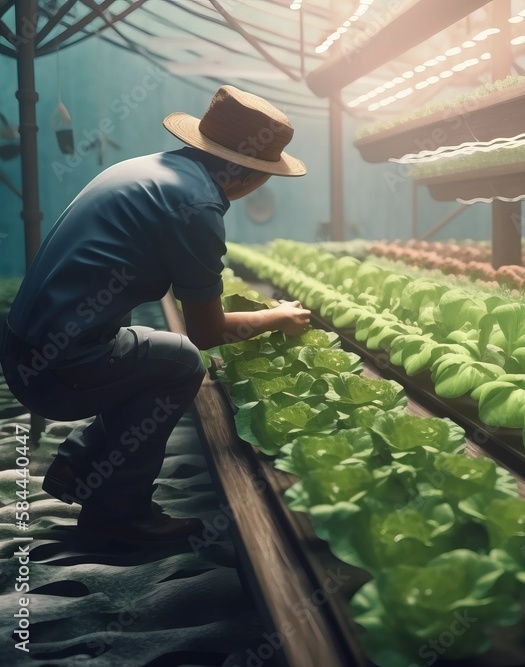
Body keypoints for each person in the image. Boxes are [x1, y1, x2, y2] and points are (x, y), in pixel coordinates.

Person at [0, 85, 311, 543]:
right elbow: (204, 331)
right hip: (52, 374)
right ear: (249, 175)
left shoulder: (150, 169)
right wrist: (277, 317)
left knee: (149, 349)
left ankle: (80, 463)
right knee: (182, 361)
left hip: (20, 346)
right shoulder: (198, 205)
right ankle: (118, 516)